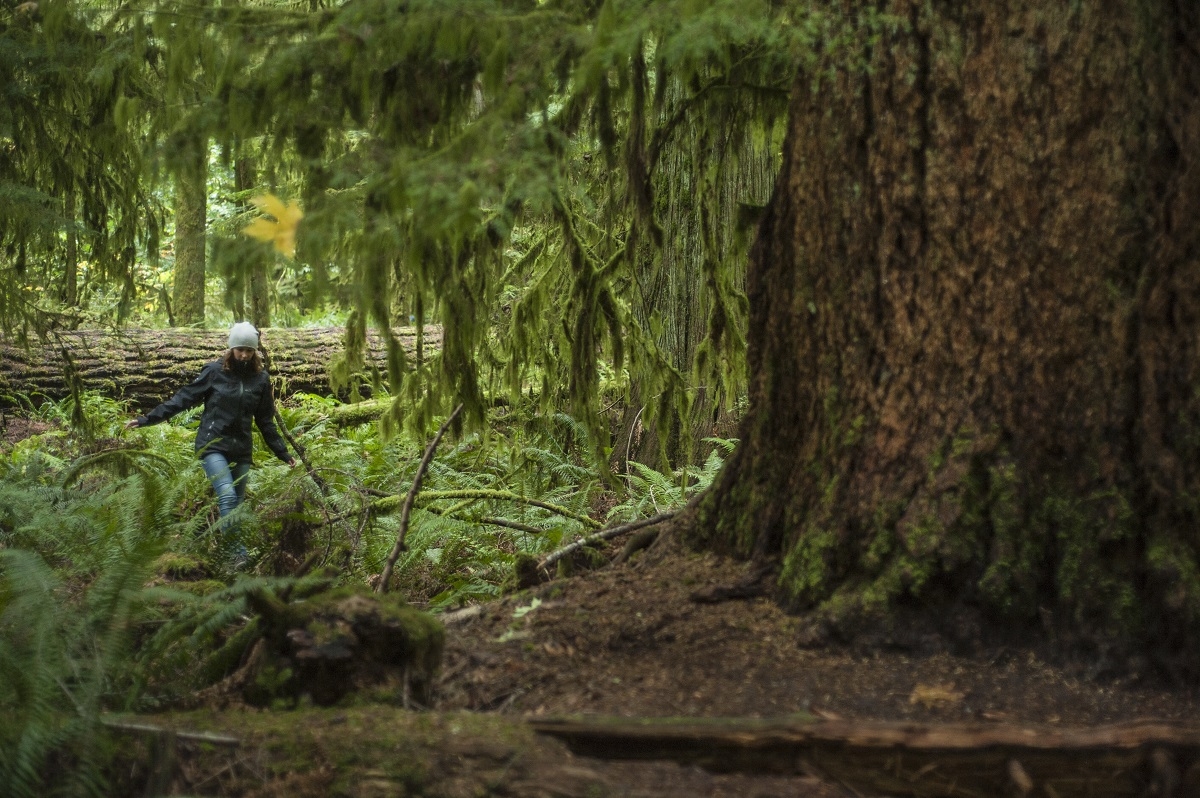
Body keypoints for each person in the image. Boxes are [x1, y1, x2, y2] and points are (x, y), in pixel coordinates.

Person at [126, 322, 295, 569]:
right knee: (226, 496)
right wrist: (146, 419)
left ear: (255, 351)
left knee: (235, 504)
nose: (244, 355)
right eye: (240, 350)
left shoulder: (261, 379)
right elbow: (182, 399)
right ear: (231, 348)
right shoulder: (214, 372)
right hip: (212, 445)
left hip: (241, 450)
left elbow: (265, 421)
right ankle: (237, 555)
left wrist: (283, 452)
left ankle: (227, 558)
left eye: (249, 350)